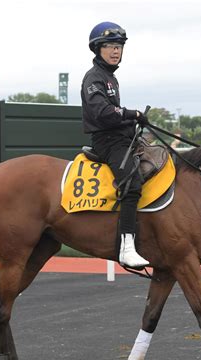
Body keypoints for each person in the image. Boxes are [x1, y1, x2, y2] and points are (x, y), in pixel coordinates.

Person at [80, 21, 149, 269]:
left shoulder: (110, 77)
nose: (115, 51)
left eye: (118, 46)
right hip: (107, 141)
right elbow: (104, 113)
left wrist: (134, 122)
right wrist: (133, 114)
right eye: (109, 46)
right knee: (132, 184)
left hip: (120, 137)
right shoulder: (94, 78)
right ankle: (126, 248)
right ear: (98, 50)